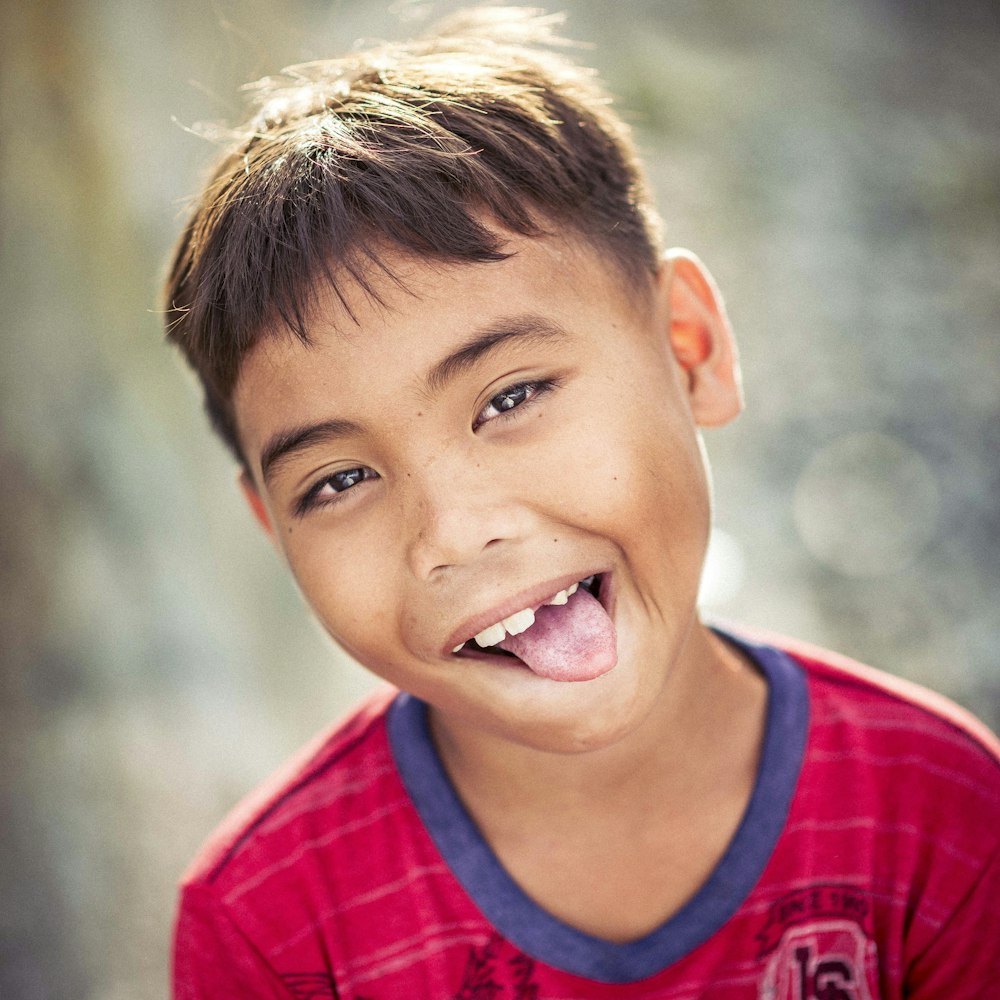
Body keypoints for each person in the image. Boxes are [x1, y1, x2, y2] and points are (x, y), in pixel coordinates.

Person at [163, 8, 1000, 998]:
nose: (455, 529)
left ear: (689, 347)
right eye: (337, 481)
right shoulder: (270, 922)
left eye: (510, 398)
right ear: (273, 527)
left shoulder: (937, 810)